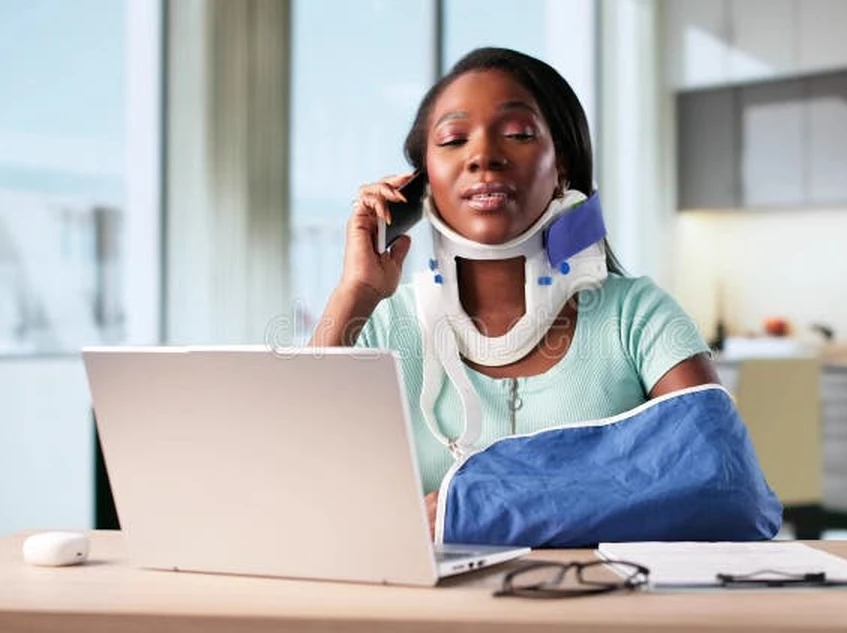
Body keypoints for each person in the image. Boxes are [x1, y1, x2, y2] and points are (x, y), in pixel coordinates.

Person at [310, 47, 725, 538]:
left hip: (604, 608)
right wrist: (353, 293)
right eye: (453, 139)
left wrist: (484, 506)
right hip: (427, 611)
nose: (482, 155)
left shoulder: (637, 316)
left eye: (518, 134)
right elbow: (295, 478)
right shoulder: (382, 325)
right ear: (422, 184)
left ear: (562, 167)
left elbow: (719, 485)